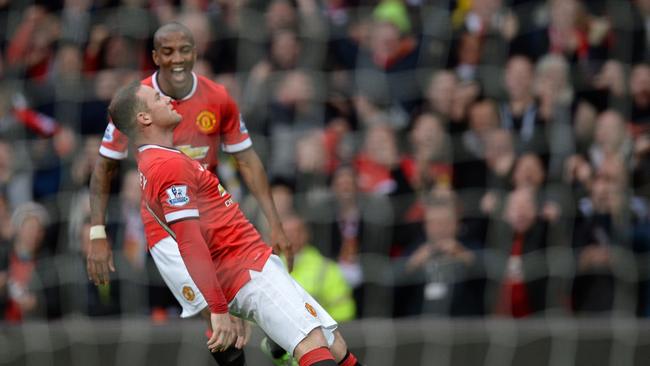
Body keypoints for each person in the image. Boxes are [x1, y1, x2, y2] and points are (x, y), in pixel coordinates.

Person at [108, 80, 364, 366]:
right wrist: (217, 309)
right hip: (247, 270)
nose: (167, 98)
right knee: (313, 345)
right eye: (157, 97)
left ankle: (276, 338)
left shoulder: (162, 160)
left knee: (336, 346)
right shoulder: (166, 167)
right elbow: (189, 241)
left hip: (253, 261)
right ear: (144, 117)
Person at [86, 22, 294, 366]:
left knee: (244, 300)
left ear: (196, 52)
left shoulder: (217, 97)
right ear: (155, 57)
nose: (177, 59)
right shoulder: (136, 101)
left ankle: (276, 334)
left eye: (184, 50)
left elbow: (247, 159)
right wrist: (97, 231)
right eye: (167, 52)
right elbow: (104, 167)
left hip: (214, 217)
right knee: (214, 315)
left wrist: (276, 222)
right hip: (165, 227)